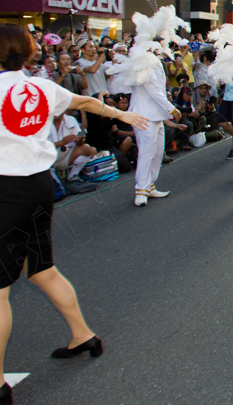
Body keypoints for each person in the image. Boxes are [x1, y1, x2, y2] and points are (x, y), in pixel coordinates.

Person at [0, 25, 149, 405]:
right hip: (38, 185)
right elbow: (84, 104)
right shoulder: (42, 86)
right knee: (42, 269)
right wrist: (124, 115)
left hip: (5, 189)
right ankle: (83, 335)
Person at [131, 46, 183, 206]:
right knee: (146, 152)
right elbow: (153, 89)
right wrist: (172, 109)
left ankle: (149, 185)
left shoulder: (157, 62)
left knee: (158, 152)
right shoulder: (143, 62)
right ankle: (140, 189)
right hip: (143, 115)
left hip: (157, 116)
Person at [49, 111, 97, 180]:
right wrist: (61, 142)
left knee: (86, 148)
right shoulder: (41, 123)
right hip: (47, 161)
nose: (57, 111)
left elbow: (79, 143)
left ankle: (73, 177)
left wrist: (80, 139)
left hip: (64, 157)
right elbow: (40, 148)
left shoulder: (70, 119)